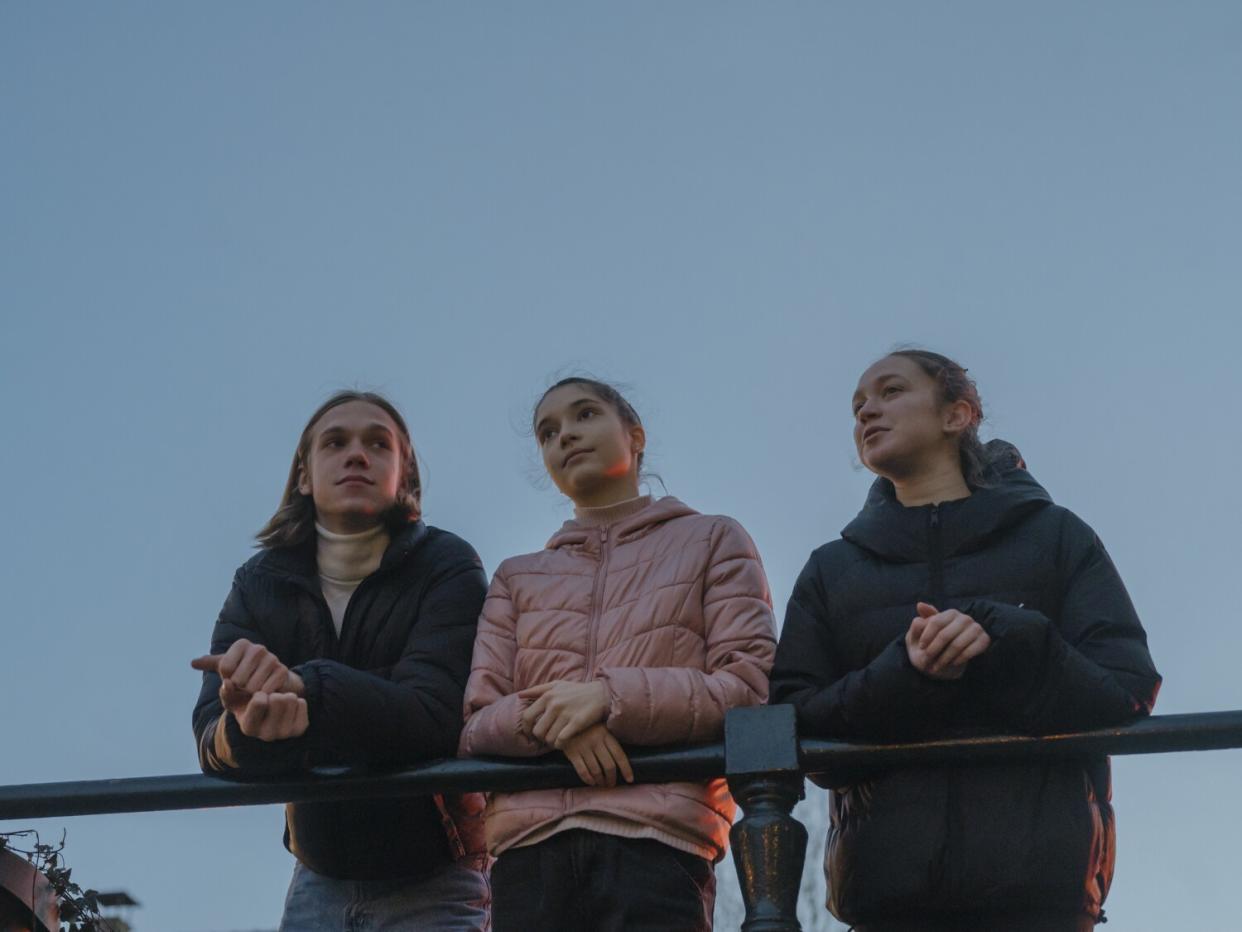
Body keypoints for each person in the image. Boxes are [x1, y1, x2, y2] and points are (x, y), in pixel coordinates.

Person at [770, 349, 1161, 932]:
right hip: (885, 899)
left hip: (1044, 896)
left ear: (958, 414)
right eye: (857, 405)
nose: (866, 411)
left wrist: (1002, 635)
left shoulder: (1058, 536)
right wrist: (906, 671)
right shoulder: (830, 569)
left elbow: (1125, 689)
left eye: (890, 391)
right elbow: (795, 722)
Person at [459, 377, 777, 932]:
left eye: (585, 415)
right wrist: (562, 723)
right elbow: (477, 724)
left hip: (659, 845)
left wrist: (607, 698)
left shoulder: (714, 540)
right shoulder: (516, 577)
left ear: (635, 435)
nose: (566, 437)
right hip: (527, 860)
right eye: (548, 432)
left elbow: (747, 688)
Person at [191, 390, 491, 932]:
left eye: (379, 443)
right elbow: (211, 739)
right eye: (336, 442)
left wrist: (307, 693)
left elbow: (435, 714)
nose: (357, 454)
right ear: (303, 475)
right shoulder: (258, 582)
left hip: (436, 877)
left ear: (406, 479)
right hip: (316, 877)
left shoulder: (448, 565)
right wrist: (247, 729)